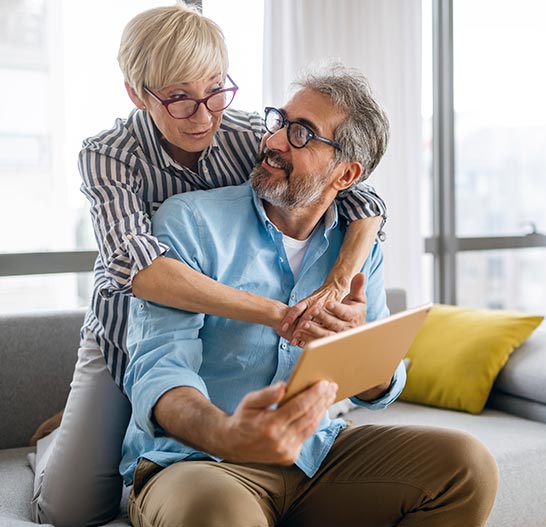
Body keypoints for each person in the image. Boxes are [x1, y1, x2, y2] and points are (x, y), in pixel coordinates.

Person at [31, 4, 387, 526]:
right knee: (69, 509)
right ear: (137, 93)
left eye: (214, 90)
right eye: (178, 99)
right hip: (125, 322)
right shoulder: (108, 154)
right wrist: (279, 314)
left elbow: (360, 198)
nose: (203, 116)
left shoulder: (246, 132)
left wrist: (336, 285)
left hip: (217, 325)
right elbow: (147, 273)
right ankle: (60, 439)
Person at [121, 62, 498, 527]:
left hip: (314, 455)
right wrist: (227, 434)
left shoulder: (355, 252)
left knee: (467, 465)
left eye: (302, 134)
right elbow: (159, 369)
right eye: (279, 122)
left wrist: (357, 348)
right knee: (216, 511)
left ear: (345, 175)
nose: (275, 141)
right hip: (202, 462)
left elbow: (380, 390)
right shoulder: (191, 223)